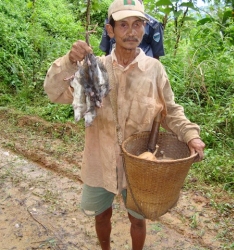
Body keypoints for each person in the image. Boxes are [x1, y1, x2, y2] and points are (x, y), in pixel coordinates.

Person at [43, 0, 205, 249]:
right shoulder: (93, 69)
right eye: (123, 25)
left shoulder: (154, 70)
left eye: (137, 24)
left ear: (144, 29)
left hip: (141, 166)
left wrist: (191, 135)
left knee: (138, 220)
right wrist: (69, 60)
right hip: (100, 160)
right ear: (111, 31)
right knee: (101, 215)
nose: (131, 31)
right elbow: (54, 93)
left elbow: (170, 112)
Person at [99, 0, 165, 59]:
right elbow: (107, 50)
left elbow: (156, 55)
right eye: (123, 25)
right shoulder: (111, 21)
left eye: (136, 25)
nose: (131, 33)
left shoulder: (154, 25)